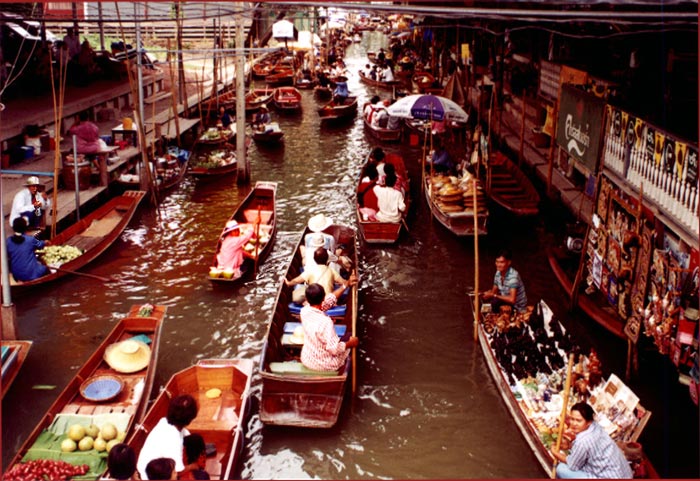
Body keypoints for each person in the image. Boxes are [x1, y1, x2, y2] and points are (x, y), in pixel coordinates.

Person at [551, 402, 633, 479]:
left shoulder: (583, 441)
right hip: (625, 475)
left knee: (561, 468)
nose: (574, 424)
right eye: (572, 419)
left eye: (578, 420)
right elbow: (590, 448)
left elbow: (572, 465)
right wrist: (570, 446)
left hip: (609, 477)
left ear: (589, 422)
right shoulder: (596, 427)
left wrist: (555, 453)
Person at [137, 394, 199, 479]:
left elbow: (185, 434)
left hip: (149, 465)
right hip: (151, 476)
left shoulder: (164, 421)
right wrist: (193, 466)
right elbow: (178, 471)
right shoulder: (174, 442)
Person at [300, 283, 359, 372]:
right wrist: (350, 344)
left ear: (307, 299)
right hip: (323, 365)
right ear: (323, 298)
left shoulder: (304, 311)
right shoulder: (326, 322)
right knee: (350, 337)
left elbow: (328, 301)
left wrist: (345, 285)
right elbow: (334, 349)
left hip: (307, 359)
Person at [6, 217, 50, 282]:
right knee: (46, 269)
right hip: (30, 274)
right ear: (25, 228)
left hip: (16, 274)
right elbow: (40, 245)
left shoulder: (8, 241)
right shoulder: (30, 240)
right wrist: (46, 242)